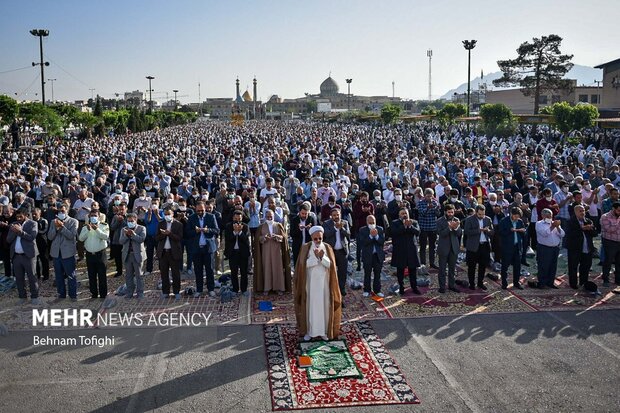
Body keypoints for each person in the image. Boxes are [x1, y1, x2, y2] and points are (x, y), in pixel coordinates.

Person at [293, 225, 342, 341]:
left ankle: (324, 331)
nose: (318, 241)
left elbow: (331, 265)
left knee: (324, 306)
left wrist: (322, 257)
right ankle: (309, 332)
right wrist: (315, 258)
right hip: (310, 284)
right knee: (311, 307)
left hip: (324, 283)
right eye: (315, 239)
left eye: (320, 238)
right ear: (311, 238)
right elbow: (302, 265)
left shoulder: (327, 247)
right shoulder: (306, 248)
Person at [185, 201, 219, 297]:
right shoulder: (191, 218)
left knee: (210, 270)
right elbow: (187, 232)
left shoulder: (211, 217)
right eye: (198, 211)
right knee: (198, 270)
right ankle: (199, 289)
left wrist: (207, 230)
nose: (200, 212)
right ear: (195, 210)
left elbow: (216, 230)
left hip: (208, 248)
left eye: (202, 210)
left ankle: (211, 289)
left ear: (205, 209)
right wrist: (195, 231)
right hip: (196, 248)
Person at [7, 208, 40, 305]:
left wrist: (20, 231)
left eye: (20, 216)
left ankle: (34, 296)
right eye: (17, 217)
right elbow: (8, 240)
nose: (18, 218)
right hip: (16, 256)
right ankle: (22, 297)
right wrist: (14, 231)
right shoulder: (13, 225)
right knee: (19, 278)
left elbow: (31, 237)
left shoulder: (33, 224)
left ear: (26, 215)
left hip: (29, 256)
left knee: (32, 277)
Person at [254, 209, 291, 295]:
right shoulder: (261, 227)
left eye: (271, 216)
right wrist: (263, 238)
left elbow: (284, 238)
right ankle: (267, 288)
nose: (269, 218)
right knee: (266, 268)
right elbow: (257, 240)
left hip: (277, 252)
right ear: (265, 217)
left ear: (274, 217)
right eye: (268, 217)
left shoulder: (278, 225)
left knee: (277, 268)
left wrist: (277, 237)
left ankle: (278, 288)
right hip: (265, 252)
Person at [47, 204, 78, 300]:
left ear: (67, 211)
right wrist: (56, 228)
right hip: (56, 253)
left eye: (63, 211)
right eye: (59, 211)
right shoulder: (53, 222)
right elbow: (50, 237)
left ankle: (73, 295)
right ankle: (61, 294)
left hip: (68, 253)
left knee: (71, 275)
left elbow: (71, 236)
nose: (61, 213)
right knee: (59, 276)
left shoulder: (73, 221)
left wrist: (62, 227)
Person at [78, 210, 110, 299]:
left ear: (99, 216)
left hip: (100, 254)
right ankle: (94, 294)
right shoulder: (85, 227)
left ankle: (103, 294)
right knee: (91, 275)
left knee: (102, 275)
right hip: (89, 255)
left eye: (95, 215)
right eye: (91, 216)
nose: (93, 217)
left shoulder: (104, 225)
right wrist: (87, 230)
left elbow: (105, 236)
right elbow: (80, 238)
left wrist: (97, 229)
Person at [390, 208, 422, 295]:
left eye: (406, 213)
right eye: (402, 213)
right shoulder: (395, 223)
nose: (404, 215)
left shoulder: (414, 222)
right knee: (400, 270)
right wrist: (404, 226)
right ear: (399, 215)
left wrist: (410, 226)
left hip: (411, 249)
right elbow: (393, 232)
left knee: (413, 270)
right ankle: (401, 287)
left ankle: (414, 287)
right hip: (400, 250)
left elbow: (418, 232)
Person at [322, 207, 351, 298]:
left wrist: (341, 228)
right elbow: (326, 235)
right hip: (332, 252)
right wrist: (335, 228)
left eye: (337, 215)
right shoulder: (326, 223)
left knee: (342, 272)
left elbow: (348, 235)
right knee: (331, 271)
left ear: (340, 215)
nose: (336, 217)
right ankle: (331, 289)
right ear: (331, 216)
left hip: (342, 251)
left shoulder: (345, 223)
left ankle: (341, 289)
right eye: (334, 215)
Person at [464, 205, 494, 291]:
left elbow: (492, 232)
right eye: (480, 214)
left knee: (483, 265)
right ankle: (472, 283)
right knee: (472, 266)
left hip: (484, 246)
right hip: (473, 247)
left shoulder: (488, 219)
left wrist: (488, 231)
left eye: (483, 214)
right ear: (476, 212)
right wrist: (479, 230)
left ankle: (480, 282)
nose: (482, 216)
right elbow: (466, 232)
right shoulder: (469, 219)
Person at [157, 207, 184, 300]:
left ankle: (176, 291)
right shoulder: (161, 224)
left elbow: (179, 238)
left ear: (172, 214)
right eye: (165, 214)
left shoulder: (178, 225)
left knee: (175, 273)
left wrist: (169, 234)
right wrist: (163, 234)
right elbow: (156, 238)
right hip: (163, 252)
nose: (167, 216)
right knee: (164, 273)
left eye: (169, 214)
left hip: (174, 252)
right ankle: (165, 292)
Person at [566, 205, 595, 290]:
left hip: (587, 248)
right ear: (575, 212)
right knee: (573, 267)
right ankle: (573, 284)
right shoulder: (570, 221)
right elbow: (570, 234)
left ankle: (583, 283)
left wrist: (590, 229)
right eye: (580, 211)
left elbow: (595, 233)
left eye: (583, 211)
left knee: (585, 267)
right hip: (575, 248)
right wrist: (582, 229)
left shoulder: (588, 220)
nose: (583, 213)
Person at [497, 208, 527, 290]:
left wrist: (522, 231)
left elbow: (524, 233)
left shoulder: (520, 222)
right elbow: (500, 232)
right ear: (511, 214)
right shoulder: (504, 221)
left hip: (517, 247)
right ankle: (504, 283)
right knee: (505, 266)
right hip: (507, 247)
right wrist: (510, 231)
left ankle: (516, 282)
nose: (517, 218)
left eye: (518, 217)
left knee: (517, 266)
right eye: (515, 216)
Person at [535, 208, 564, 289]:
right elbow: (544, 234)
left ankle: (550, 282)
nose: (549, 218)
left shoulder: (554, 223)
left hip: (555, 248)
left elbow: (562, 234)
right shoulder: (539, 224)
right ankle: (542, 283)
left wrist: (557, 227)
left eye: (550, 216)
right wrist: (552, 227)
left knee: (553, 266)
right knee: (544, 266)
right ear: (543, 216)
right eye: (547, 216)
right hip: (544, 248)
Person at [119, 213, 147, 299]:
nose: (130, 222)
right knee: (128, 275)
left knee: (139, 275)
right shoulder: (124, 229)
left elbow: (141, 239)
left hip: (138, 255)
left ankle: (140, 292)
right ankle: (129, 292)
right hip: (127, 255)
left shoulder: (142, 228)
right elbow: (121, 241)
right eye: (128, 221)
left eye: (132, 221)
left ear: (136, 220)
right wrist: (127, 235)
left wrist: (133, 234)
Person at [224, 210, 251, 295]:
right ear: (233, 218)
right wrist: (234, 231)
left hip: (243, 253)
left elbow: (246, 240)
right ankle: (235, 289)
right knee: (234, 272)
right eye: (235, 219)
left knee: (244, 272)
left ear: (242, 218)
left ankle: (244, 289)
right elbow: (228, 238)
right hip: (233, 253)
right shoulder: (228, 226)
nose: (237, 221)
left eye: (239, 219)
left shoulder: (245, 227)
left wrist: (239, 232)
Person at [436, 204, 462, 293]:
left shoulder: (456, 220)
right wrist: (449, 228)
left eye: (452, 212)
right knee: (442, 269)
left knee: (452, 269)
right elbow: (441, 234)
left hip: (454, 248)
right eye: (449, 212)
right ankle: (442, 287)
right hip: (443, 248)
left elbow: (459, 234)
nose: (450, 214)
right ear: (445, 212)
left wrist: (456, 227)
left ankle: (451, 285)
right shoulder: (440, 221)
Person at [417, 188, 439, 269]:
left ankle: (432, 263)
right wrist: (428, 208)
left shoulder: (435, 202)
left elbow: (437, 214)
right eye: (428, 196)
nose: (429, 198)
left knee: (432, 247)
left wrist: (437, 209)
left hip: (433, 227)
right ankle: (423, 263)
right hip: (423, 228)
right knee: (423, 247)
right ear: (425, 196)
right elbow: (422, 213)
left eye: (431, 196)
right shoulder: (420, 203)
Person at [600, 202, 620, 287]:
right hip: (610, 242)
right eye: (619, 210)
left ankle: (618, 279)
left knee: (619, 262)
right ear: (613, 209)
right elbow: (609, 229)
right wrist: (618, 222)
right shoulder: (605, 217)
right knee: (608, 261)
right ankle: (605, 279)